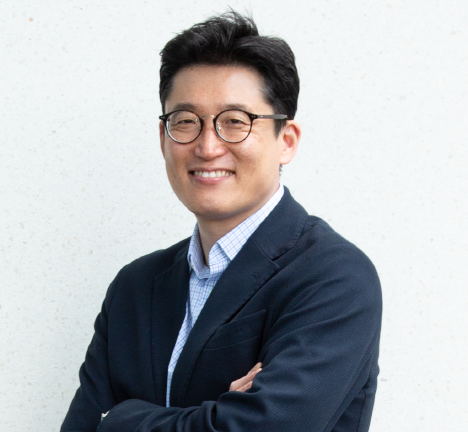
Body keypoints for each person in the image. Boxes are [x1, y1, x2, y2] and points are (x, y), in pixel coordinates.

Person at [61, 11, 381, 432]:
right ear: (164, 139)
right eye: (186, 122)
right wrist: (217, 416)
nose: (208, 146)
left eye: (235, 121)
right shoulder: (134, 288)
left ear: (285, 141)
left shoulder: (334, 277)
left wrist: (118, 420)